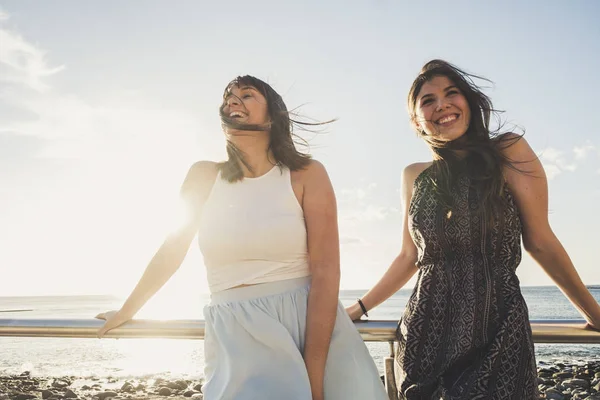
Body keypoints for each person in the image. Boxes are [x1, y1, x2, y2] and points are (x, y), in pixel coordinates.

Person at [96, 76, 387, 400]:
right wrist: (127, 311)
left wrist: (314, 380)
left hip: (310, 329)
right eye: (227, 97)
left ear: (273, 115)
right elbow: (172, 250)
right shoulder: (203, 176)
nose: (232, 101)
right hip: (237, 335)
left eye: (246, 95)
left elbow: (326, 272)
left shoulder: (307, 174)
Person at [346, 60, 600, 399]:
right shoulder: (414, 175)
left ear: (470, 101)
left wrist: (594, 314)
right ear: (416, 120)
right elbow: (410, 256)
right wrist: (359, 308)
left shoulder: (508, 150)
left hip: (496, 328)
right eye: (428, 100)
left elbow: (540, 241)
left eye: (452, 93)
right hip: (426, 334)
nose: (442, 105)